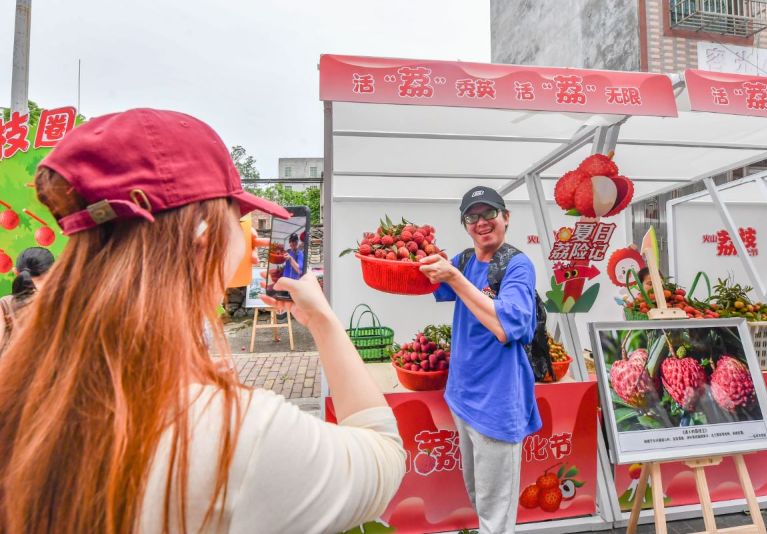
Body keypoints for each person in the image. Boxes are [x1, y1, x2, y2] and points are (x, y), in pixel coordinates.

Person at [0, 109, 404, 534]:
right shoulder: (240, 435)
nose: (247, 233)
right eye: (239, 216)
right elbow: (383, 454)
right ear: (204, 234)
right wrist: (322, 318)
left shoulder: (21, 387)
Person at [419, 186, 541, 533]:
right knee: (478, 495)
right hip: (463, 396)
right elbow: (424, 283)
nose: (482, 222)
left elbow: (506, 327)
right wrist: (409, 250)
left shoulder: (517, 265)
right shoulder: (463, 261)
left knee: (496, 513)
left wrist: (455, 279)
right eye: (473, 216)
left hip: (498, 402)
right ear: (465, 223)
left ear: (506, 217)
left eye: (490, 213)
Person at [0, 247, 55, 354]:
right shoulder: (58, 304)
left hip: (10, 367)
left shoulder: (4, 304)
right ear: (53, 272)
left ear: (16, 272)